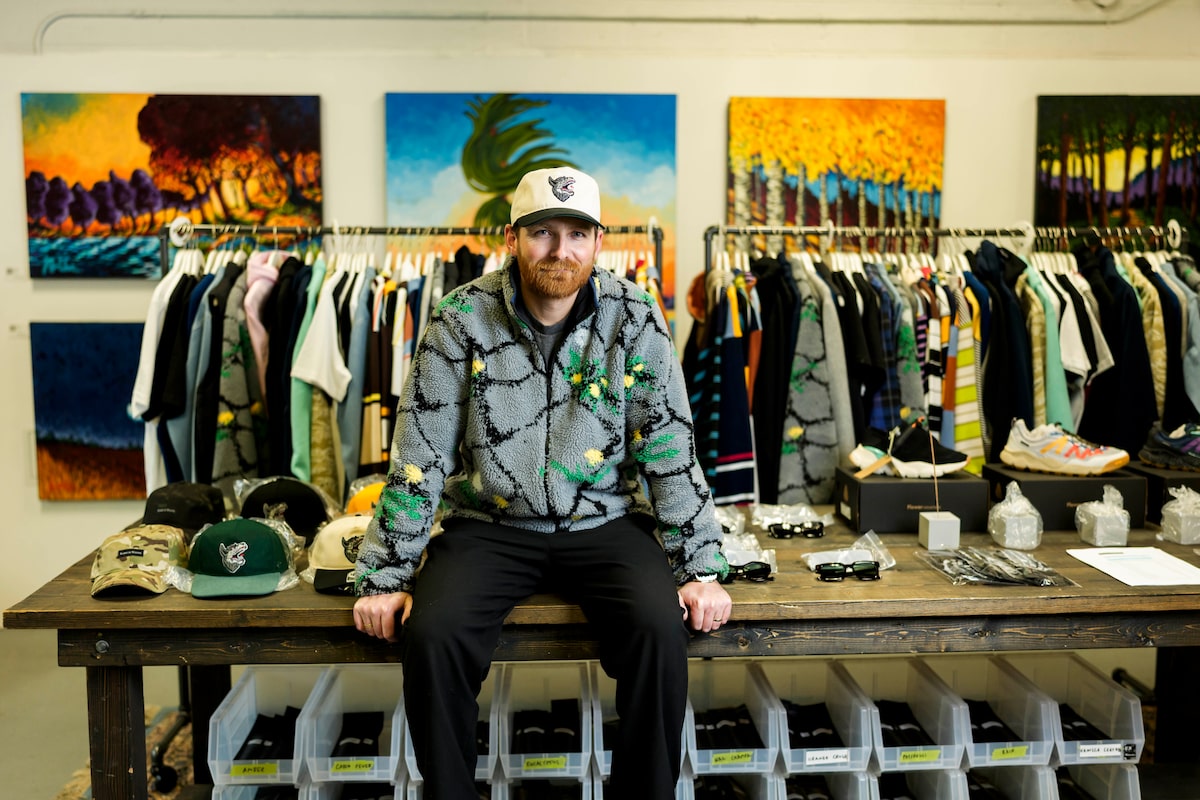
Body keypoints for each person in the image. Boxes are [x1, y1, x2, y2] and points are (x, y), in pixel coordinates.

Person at [353, 166, 731, 799]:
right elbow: (421, 454)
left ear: (599, 242)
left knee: (658, 628)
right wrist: (386, 577)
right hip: (489, 527)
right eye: (542, 233)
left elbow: (667, 442)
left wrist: (699, 568)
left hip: (605, 522)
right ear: (512, 239)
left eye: (577, 234)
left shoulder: (635, 316)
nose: (561, 250)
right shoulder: (459, 318)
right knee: (434, 634)